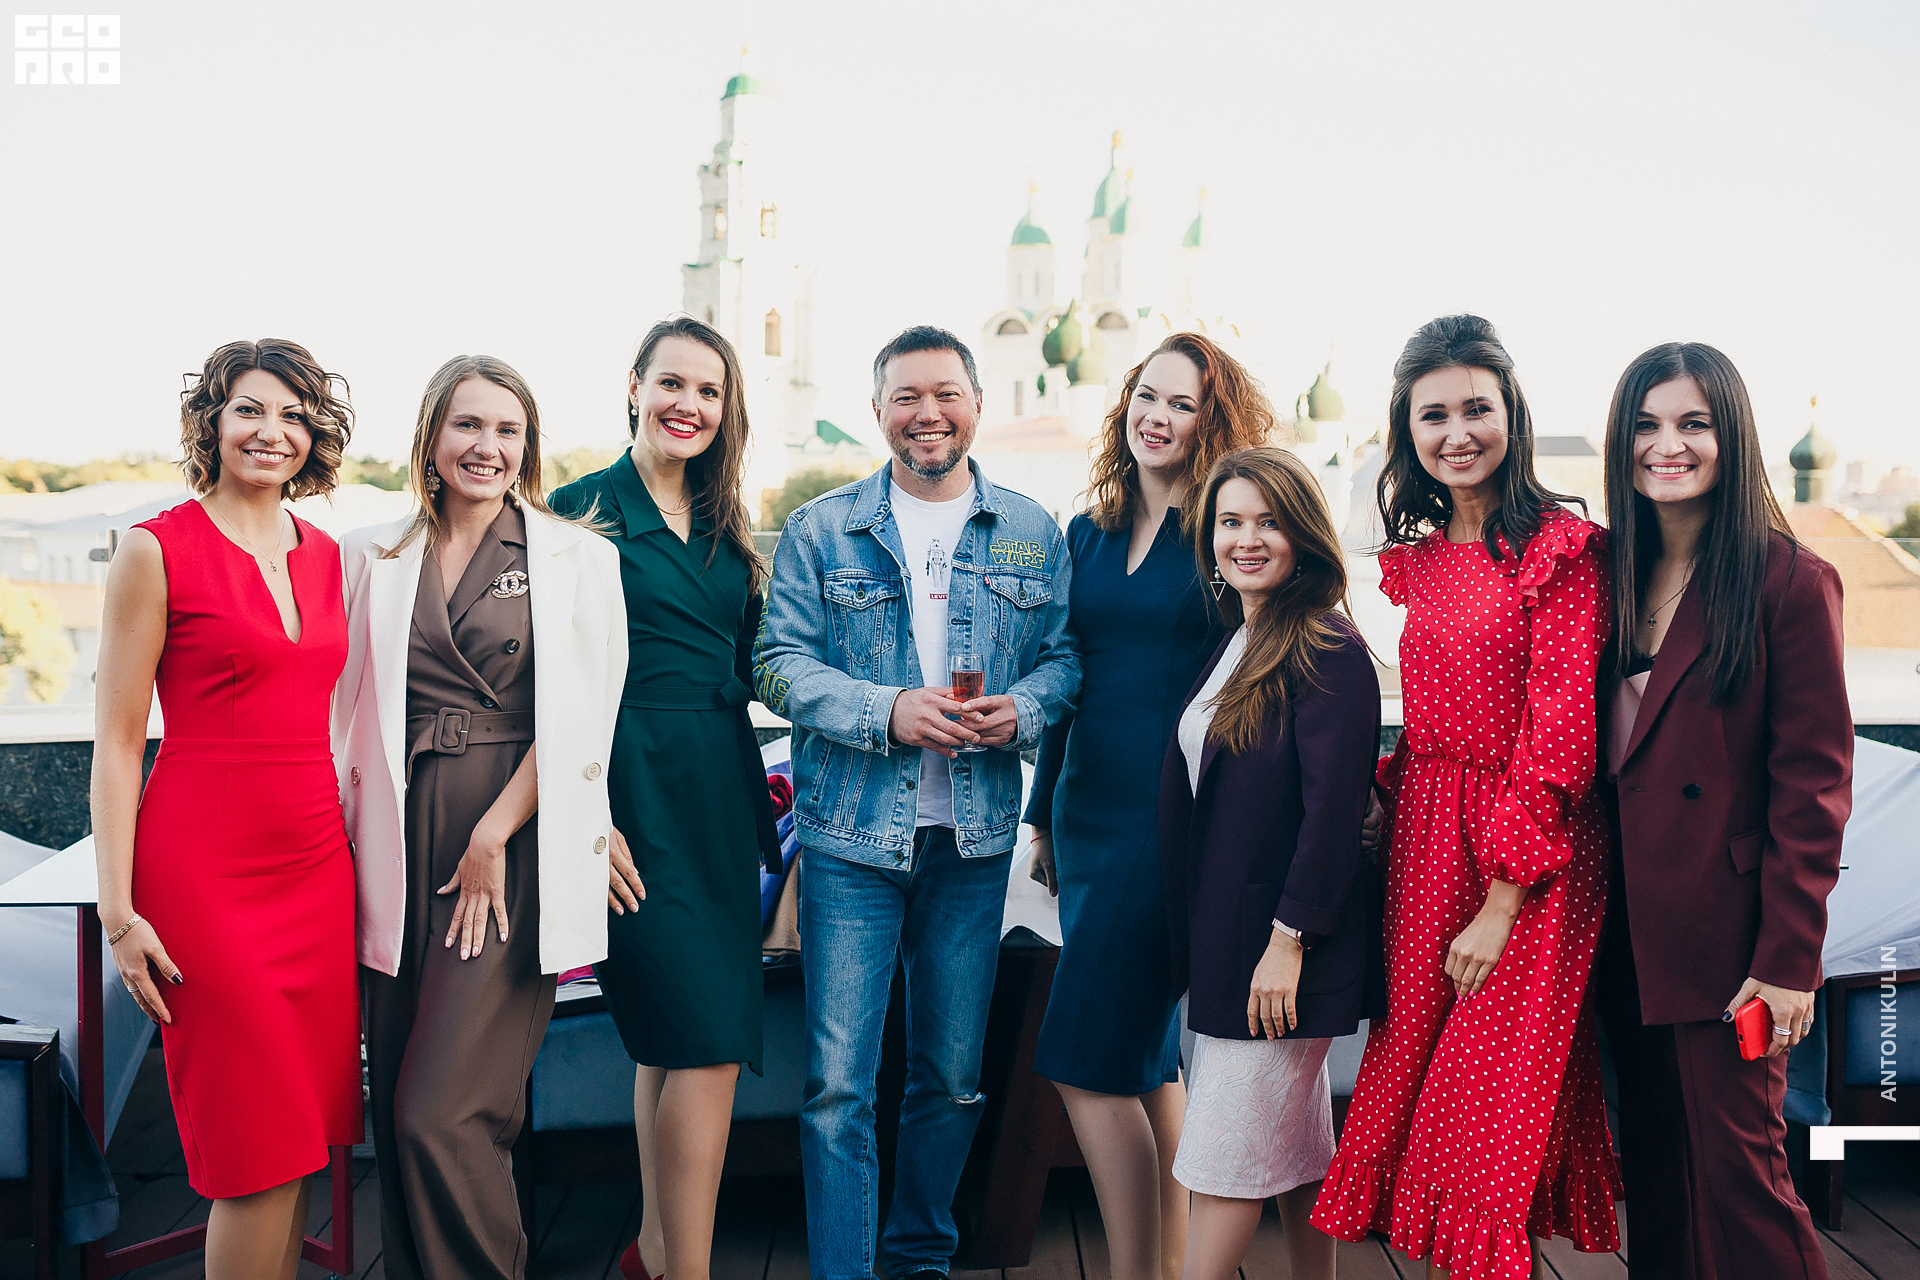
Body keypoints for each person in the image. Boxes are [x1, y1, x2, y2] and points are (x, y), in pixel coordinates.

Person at [753, 325, 1080, 1280]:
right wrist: (886, 710)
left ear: (977, 404)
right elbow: (775, 665)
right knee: (838, 1088)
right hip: (850, 840)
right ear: (878, 410)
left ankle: (920, 1259)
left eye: (945, 394)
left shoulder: (1031, 529)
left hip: (973, 843)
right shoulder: (821, 528)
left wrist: (1022, 709)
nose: (927, 414)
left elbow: (1066, 661)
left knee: (953, 1078)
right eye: (906, 396)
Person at [1310, 315, 1622, 1280]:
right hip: (1424, 839)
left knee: (1480, 1113)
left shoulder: (1563, 551)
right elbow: (1432, 717)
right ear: (1406, 432)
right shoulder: (1423, 557)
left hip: (1529, 853)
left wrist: (1502, 900)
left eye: (1476, 408)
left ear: (1511, 413)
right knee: (1424, 1083)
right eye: (1433, 415)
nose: (1457, 433)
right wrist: (1380, 801)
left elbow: (1561, 739)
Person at [335, 355, 626, 1280]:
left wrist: (496, 833)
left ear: (528, 446)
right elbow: (337, 708)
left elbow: (584, 719)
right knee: (394, 1113)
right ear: (430, 437)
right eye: (468, 425)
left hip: (510, 839)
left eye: (508, 430)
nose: (487, 446)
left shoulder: (579, 557)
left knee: (443, 1113)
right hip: (395, 839)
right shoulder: (369, 554)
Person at [91, 339, 362, 1280]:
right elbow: (117, 742)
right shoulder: (153, 548)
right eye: (249, 409)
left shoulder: (328, 555)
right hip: (204, 875)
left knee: (304, 1141)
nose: (270, 431)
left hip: (318, 868)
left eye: (293, 415)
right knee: (255, 1153)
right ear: (212, 422)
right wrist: (120, 914)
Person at [1593, 343, 1849, 1280]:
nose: (1668, 445)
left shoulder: (1789, 581)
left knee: (1743, 1182)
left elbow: (1813, 792)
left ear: (1730, 436)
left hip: (1731, 942)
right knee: (1659, 1179)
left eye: (1693, 424)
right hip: (1622, 933)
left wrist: (1787, 965)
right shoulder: (1609, 573)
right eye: (1647, 425)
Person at [1021, 332, 1270, 1280]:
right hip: (1085, 814)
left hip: (1169, 818)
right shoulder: (1087, 530)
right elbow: (1067, 676)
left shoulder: (1224, 534)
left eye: (1183, 404)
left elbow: (1273, 663)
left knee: (1081, 1064)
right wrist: (1041, 814)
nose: (1158, 418)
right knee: (1145, 1061)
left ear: (1213, 423)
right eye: (1147, 397)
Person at [547, 317, 784, 1280]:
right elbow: (542, 684)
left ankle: (653, 1255)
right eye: (672, 384)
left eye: (710, 391)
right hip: (628, 795)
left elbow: (761, 662)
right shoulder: (576, 511)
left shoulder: (729, 521)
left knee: (673, 1043)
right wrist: (584, 820)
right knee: (704, 1041)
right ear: (635, 387)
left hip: (719, 797)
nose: (689, 405)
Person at [1159, 447, 1383, 1280]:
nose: (1246, 540)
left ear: (1304, 536)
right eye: (1231, 522)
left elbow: (1332, 814)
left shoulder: (1327, 646)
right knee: (1292, 1145)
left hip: (1282, 953)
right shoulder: (1243, 638)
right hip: (1231, 942)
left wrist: (1289, 941)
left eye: (1269, 522)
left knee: (1222, 1159)